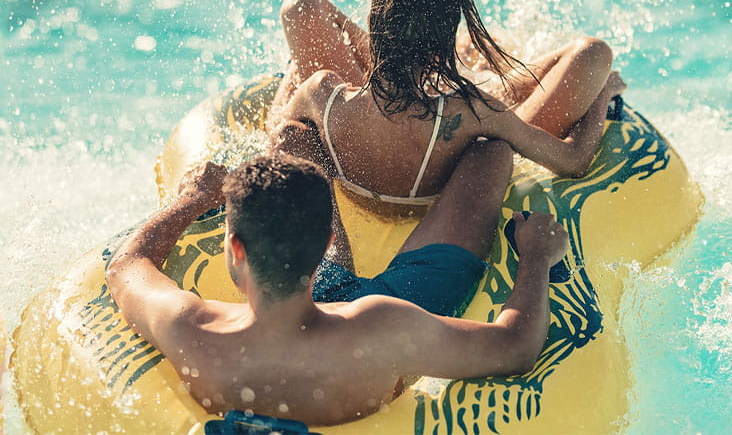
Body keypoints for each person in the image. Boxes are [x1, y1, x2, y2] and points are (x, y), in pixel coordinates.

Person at [105, 143, 568, 426]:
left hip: (314, 301)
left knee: (292, 137)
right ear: (329, 240)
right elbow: (515, 347)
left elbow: (126, 265)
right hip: (350, 327)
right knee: (490, 153)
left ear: (235, 248)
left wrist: (192, 200)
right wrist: (536, 256)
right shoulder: (382, 328)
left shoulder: (191, 331)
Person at [271, 0, 622, 216]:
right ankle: (474, 67)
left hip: (355, 159)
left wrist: (294, 78)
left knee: (301, 4)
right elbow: (573, 161)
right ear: (443, 47)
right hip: (435, 157)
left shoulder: (322, 93)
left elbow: (280, 132)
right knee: (594, 52)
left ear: (371, 25)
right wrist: (602, 96)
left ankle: (461, 66)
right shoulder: (470, 109)